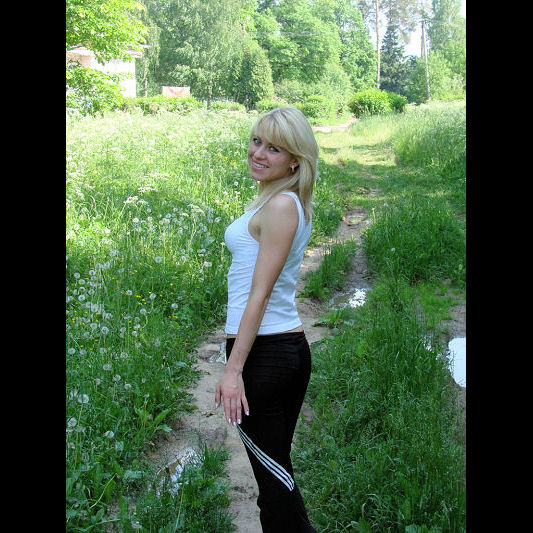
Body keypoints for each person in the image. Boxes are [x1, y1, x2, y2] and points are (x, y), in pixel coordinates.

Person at [215, 106, 319, 533]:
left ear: (295, 159)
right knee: (275, 481)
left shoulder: (280, 205)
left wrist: (233, 369)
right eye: (257, 141)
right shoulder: (280, 200)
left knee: (276, 488)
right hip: (278, 350)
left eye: (274, 148)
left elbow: (260, 293)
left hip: (265, 356)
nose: (258, 153)